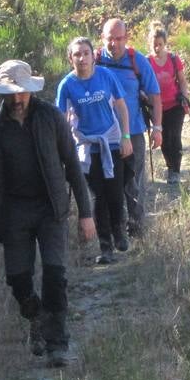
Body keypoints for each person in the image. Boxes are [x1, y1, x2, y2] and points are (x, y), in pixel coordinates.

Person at [0, 59, 95, 368]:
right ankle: (36, 317)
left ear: (30, 90)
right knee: (18, 279)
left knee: (55, 274)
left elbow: (73, 168)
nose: (17, 99)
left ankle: (57, 343)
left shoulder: (51, 117)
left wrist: (85, 214)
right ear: (1, 94)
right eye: (11, 94)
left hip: (50, 208)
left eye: (22, 92)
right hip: (10, 212)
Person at [56, 37, 133, 265]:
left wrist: (126, 137)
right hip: (87, 147)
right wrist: (62, 148)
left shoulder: (106, 76)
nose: (82, 58)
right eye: (77, 54)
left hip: (111, 141)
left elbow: (121, 106)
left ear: (93, 56)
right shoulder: (66, 85)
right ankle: (106, 246)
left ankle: (119, 232)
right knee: (98, 196)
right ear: (71, 58)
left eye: (86, 53)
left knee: (115, 192)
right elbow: (59, 118)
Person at [95, 18, 162, 238]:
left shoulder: (137, 61)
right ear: (102, 38)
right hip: (101, 135)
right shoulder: (93, 60)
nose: (114, 43)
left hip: (132, 132)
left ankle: (136, 229)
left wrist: (158, 127)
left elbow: (154, 94)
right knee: (105, 184)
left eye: (118, 38)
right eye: (109, 38)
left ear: (126, 38)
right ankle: (111, 231)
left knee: (134, 182)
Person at [148, 21, 190, 185]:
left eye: (160, 44)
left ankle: (176, 171)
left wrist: (185, 97)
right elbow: (143, 84)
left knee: (175, 137)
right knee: (164, 139)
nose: (157, 48)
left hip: (175, 105)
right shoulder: (147, 62)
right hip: (157, 108)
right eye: (154, 45)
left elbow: (182, 81)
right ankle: (170, 166)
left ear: (165, 43)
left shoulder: (173, 59)